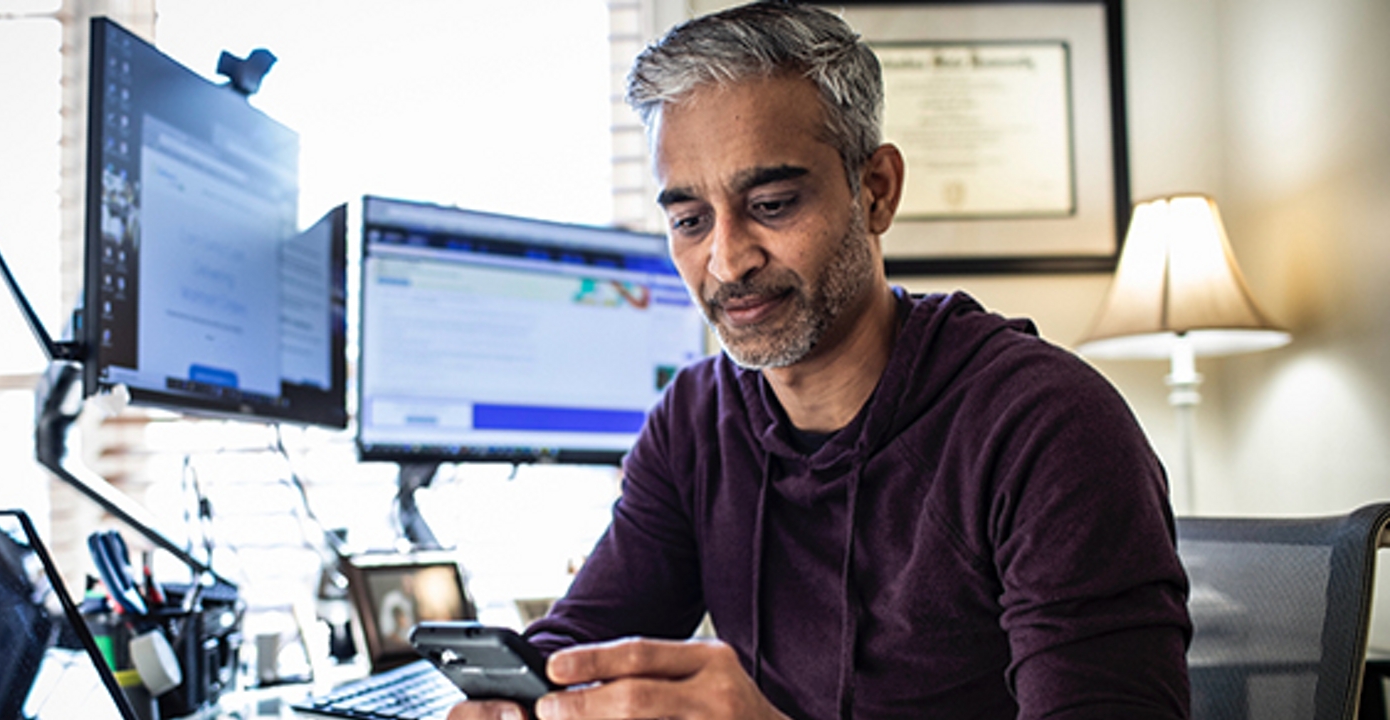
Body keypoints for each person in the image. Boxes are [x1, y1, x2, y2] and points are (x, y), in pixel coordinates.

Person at [454, 3, 1190, 719]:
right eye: (688, 220)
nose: (727, 260)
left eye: (772, 203)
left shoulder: (1047, 427)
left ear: (875, 191)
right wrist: (508, 698)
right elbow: (581, 645)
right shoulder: (694, 422)